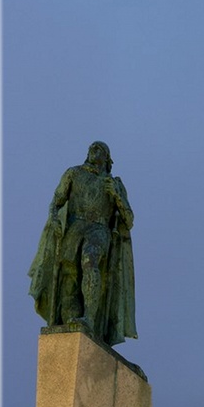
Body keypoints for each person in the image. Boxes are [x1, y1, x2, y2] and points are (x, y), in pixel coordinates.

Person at [28, 141, 137, 346]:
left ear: (107, 158)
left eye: (100, 149)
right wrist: (54, 220)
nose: (94, 151)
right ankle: (71, 317)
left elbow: (129, 220)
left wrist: (116, 195)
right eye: (92, 148)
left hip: (99, 228)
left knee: (90, 261)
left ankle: (89, 317)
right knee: (70, 274)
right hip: (74, 226)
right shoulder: (73, 173)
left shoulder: (114, 183)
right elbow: (57, 201)